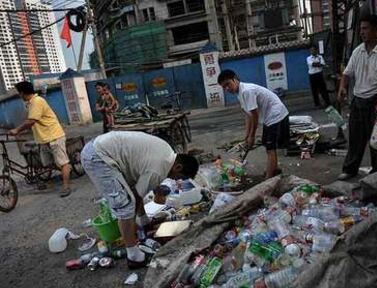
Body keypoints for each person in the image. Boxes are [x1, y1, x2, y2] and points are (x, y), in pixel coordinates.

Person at [80, 131, 199, 269]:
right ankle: (134, 256)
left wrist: (140, 222)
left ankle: (143, 221)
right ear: (178, 167)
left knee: (130, 195)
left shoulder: (168, 152)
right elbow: (136, 196)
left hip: (102, 148)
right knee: (125, 206)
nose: (176, 180)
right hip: (99, 158)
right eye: (180, 177)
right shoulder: (159, 169)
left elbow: (139, 187)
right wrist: (131, 222)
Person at [337, 14, 377, 180]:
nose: (361, 32)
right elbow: (346, 74)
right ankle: (350, 169)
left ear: (376, 30)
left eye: (365, 28)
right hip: (358, 101)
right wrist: (343, 87)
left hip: (376, 101)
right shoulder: (358, 51)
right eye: (361, 29)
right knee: (355, 138)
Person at [217, 70, 290, 178]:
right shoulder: (239, 93)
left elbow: (255, 115)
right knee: (267, 144)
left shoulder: (247, 91)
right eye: (224, 87)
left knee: (270, 148)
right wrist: (246, 137)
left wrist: (252, 136)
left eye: (228, 84)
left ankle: (269, 178)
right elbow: (248, 115)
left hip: (276, 115)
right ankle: (274, 169)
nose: (227, 88)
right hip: (268, 117)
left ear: (235, 79)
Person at [9, 81, 72, 197]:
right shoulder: (31, 103)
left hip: (54, 136)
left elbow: (32, 120)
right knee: (47, 163)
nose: (19, 95)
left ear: (22, 92)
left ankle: (66, 186)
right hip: (44, 138)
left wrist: (17, 130)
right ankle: (63, 171)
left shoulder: (37, 102)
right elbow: (34, 122)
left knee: (63, 163)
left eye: (19, 93)